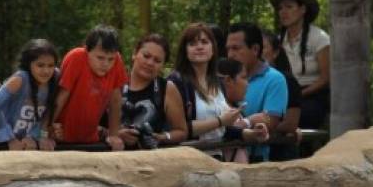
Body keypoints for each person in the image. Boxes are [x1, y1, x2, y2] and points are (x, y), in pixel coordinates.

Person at [168, 23, 243, 159]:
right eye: (192, 43)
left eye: (204, 42)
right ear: (185, 51)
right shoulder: (176, 81)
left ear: (213, 48)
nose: (199, 47)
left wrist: (251, 133)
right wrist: (220, 120)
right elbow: (181, 129)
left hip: (217, 156)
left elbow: (222, 130)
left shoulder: (218, 82)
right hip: (189, 158)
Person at [54, 25, 127, 150]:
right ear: (87, 50)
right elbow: (61, 96)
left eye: (110, 59)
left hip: (90, 139)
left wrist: (114, 135)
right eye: (100, 58)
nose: (106, 64)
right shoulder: (76, 57)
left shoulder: (117, 61)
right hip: (61, 136)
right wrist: (45, 131)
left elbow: (115, 100)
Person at [227, 22, 288, 162]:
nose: (230, 54)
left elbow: (270, 120)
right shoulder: (223, 77)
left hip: (254, 159)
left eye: (236, 48)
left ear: (255, 49)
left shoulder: (275, 79)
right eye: (228, 49)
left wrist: (245, 122)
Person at [116, 34, 188, 150]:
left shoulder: (167, 89)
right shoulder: (114, 83)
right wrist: (115, 134)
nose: (150, 63)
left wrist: (162, 137)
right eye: (146, 56)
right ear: (135, 54)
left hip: (150, 162)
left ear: (163, 66)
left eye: (157, 60)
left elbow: (182, 131)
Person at [0, 39, 59, 151]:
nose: (46, 71)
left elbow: (45, 115)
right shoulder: (20, 79)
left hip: (28, 141)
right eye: (40, 65)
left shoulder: (55, 79)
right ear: (29, 64)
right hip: (0, 142)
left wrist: (37, 137)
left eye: (50, 65)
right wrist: (9, 138)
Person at [272, 0, 329, 128]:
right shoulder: (279, 41)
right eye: (280, 8)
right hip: (287, 94)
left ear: (302, 9)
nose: (283, 12)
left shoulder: (319, 38)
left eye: (289, 7)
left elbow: (326, 78)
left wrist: (299, 94)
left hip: (313, 96)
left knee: (293, 117)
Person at [262, 30, 302, 161]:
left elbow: (290, 124)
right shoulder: (239, 80)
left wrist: (250, 126)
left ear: (275, 52)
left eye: (263, 47)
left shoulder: (287, 81)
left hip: (277, 154)